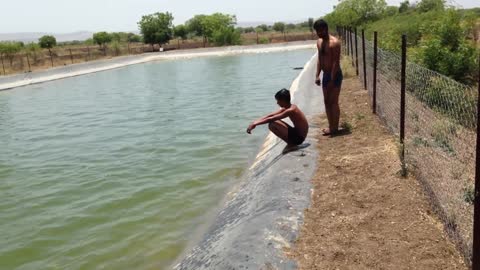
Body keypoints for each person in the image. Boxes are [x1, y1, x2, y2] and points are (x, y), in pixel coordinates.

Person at [246, 89, 309, 153]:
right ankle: (291, 143)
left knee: (272, 124)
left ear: (283, 100)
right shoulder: (289, 107)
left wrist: (255, 124)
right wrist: (255, 122)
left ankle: (292, 144)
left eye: (278, 101)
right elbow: (271, 115)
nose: (277, 103)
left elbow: (271, 119)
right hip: (297, 135)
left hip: (299, 138)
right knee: (272, 123)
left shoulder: (291, 110)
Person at [314, 19, 343, 136]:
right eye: (317, 31)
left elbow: (336, 62)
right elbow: (320, 59)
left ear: (326, 29)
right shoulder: (319, 42)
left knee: (333, 102)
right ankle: (331, 126)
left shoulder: (334, 43)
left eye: (320, 31)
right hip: (325, 75)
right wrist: (317, 75)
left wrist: (331, 79)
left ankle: (335, 128)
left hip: (335, 75)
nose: (319, 33)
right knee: (326, 102)